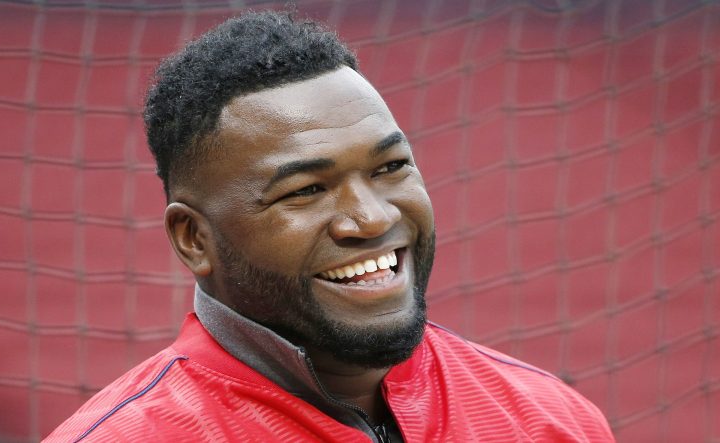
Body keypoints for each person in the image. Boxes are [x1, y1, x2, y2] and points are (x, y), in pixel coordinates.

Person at [45, 10, 615, 443]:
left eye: (391, 168)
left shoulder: (550, 419)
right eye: (306, 190)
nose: (373, 217)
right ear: (194, 238)